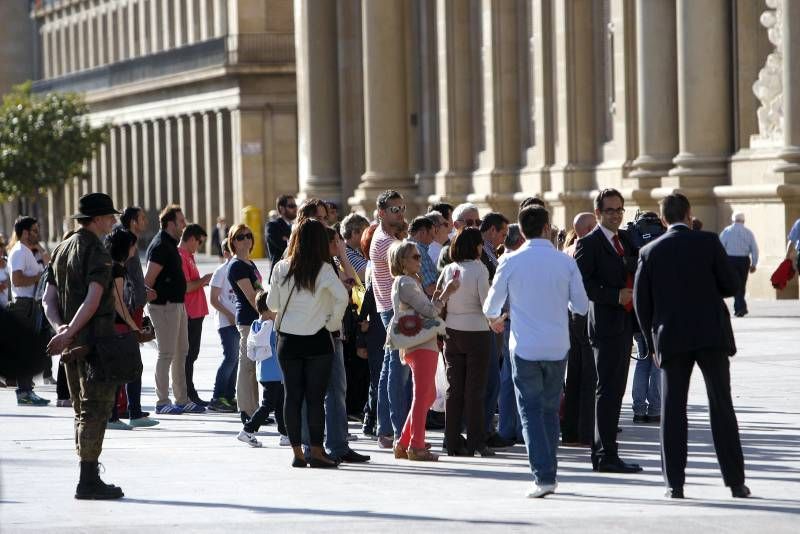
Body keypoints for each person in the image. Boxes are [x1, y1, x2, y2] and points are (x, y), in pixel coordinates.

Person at [633, 193, 749, 499]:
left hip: (671, 337)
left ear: (662, 219)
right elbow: (730, 285)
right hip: (711, 334)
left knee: (673, 410)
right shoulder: (709, 242)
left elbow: (641, 303)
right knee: (721, 406)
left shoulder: (649, 251)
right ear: (688, 214)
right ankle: (736, 481)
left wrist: (650, 341)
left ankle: (675, 484)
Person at [484, 205, 589, 498]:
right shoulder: (565, 262)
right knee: (549, 410)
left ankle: (543, 475)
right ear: (547, 227)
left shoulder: (510, 261)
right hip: (557, 345)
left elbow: (491, 306)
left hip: (525, 345)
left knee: (530, 411)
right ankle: (548, 471)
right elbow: (581, 306)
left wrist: (498, 319)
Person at [42, 192, 125, 500]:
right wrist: (70, 332)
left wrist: (61, 329)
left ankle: (87, 474)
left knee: (80, 409)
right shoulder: (98, 253)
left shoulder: (62, 249)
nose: (113, 221)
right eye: (109, 216)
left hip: (71, 346)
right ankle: (88, 480)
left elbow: (47, 299)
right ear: (96, 220)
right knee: (95, 409)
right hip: (95, 344)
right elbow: (92, 300)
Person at [268, 218, 349, 468]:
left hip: (288, 341)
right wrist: (332, 323)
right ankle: (316, 450)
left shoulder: (282, 268)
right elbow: (343, 297)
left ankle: (297, 452)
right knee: (315, 398)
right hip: (317, 340)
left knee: (292, 397)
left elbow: (272, 304)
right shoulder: (324, 269)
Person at [575, 188, 642, 473]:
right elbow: (582, 285)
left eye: (619, 210)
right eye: (610, 210)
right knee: (607, 390)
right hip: (604, 324)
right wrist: (615, 295)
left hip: (625, 324)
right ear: (599, 213)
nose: (616, 215)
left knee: (616, 391)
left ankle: (609, 452)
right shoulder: (589, 244)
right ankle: (604, 455)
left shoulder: (625, 239)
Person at [388, 240, 459, 461]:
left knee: (426, 394)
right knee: (422, 395)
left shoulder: (408, 281)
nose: (421, 260)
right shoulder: (407, 283)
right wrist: (445, 294)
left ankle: (405, 442)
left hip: (417, 343)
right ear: (402, 261)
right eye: (416, 257)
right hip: (421, 345)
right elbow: (429, 311)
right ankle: (416, 446)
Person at [438, 227, 493, 456]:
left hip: (452, 330)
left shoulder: (450, 268)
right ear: (476, 246)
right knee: (475, 390)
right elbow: (485, 303)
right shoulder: (479, 269)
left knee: (454, 389)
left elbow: (440, 298)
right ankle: (476, 442)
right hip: (477, 332)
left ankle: (451, 441)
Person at [145, 205, 202, 414]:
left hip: (177, 305)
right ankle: (162, 402)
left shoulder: (171, 245)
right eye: (181, 221)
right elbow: (148, 281)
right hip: (164, 307)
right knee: (166, 353)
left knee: (182, 353)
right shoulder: (160, 245)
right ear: (170, 223)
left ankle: (181, 399)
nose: (184, 224)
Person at [104, 228, 159, 430]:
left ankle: (130, 413)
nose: (136, 248)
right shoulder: (116, 269)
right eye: (133, 244)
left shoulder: (117, 267)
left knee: (131, 369)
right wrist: (134, 327)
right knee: (126, 370)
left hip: (119, 326)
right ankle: (115, 416)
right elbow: (118, 303)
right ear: (125, 247)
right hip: (118, 326)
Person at [369, 190, 409, 448]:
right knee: (398, 370)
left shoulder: (386, 236)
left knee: (388, 370)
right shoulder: (387, 242)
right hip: (393, 311)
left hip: (388, 308)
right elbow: (409, 269)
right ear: (382, 213)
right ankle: (397, 430)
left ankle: (384, 428)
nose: (401, 213)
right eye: (395, 209)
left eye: (402, 208)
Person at [561, 212, 598, 447]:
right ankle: (586, 431)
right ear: (587, 228)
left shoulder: (566, 252)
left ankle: (571, 431)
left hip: (570, 315)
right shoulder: (586, 249)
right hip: (584, 314)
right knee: (589, 375)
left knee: (575, 374)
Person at [7, 215, 50, 406]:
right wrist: (38, 278)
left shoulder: (26, 250)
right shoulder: (19, 252)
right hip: (23, 304)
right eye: (34, 230)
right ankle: (23, 392)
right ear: (24, 232)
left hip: (30, 304)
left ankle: (27, 390)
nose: (37, 233)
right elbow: (16, 280)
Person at [119, 207, 156, 417]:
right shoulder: (127, 241)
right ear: (133, 221)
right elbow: (128, 278)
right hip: (129, 309)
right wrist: (142, 296)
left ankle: (128, 407)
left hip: (132, 307)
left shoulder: (128, 239)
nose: (145, 221)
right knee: (131, 361)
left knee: (131, 360)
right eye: (141, 218)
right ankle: (127, 408)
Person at [478, 212, 511, 449]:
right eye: (502, 233)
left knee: (492, 378)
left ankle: (486, 426)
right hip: (488, 323)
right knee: (489, 378)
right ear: (491, 230)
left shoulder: (489, 252)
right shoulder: (482, 253)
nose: (503, 238)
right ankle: (485, 429)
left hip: (494, 321)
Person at [237, 291, 286, 447]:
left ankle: (285, 435)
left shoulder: (255, 325)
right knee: (268, 405)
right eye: (275, 308)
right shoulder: (270, 326)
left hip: (264, 372)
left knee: (279, 404)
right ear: (268, 309)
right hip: (275, 373)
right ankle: (247, 430)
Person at [228, 223, 263, 422]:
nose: (246, 240)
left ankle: (255, 408)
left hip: (256, 319)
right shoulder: (237, 265)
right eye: (240, 237)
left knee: (254, 366)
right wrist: (267, 314)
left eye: (248, 235)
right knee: (247, 365)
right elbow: (251, 296)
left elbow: (259, 289)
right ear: (233, 241)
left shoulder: (249, 263)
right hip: (248, 320)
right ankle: (245, 409)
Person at [495, 224, 525, 445]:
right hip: (513, 322)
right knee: (514, 377)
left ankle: (510, 427)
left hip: (509, 321)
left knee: (509, 375)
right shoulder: (512, 261)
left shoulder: (506, 260)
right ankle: (513, 427)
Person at [178, 224, 212, 406]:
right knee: (188, 355)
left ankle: (190, 390)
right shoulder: (181, 256)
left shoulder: (189, 256)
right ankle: (188, 392)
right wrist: (205, 280)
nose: (199, 246)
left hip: (196, 312)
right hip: (189, 312)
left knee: (192, 354)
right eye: (199, 242)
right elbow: (186, 286)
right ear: (191, 238)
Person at [208, 238, 240, 413]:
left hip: (239, 320)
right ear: (226, 252)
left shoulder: (240, 268)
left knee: (236, 360)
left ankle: (229, 395)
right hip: (226, 322)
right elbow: (213, 299)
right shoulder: (221, 271)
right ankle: (217, 396)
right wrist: (228, 314)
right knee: (230, 357)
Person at [719, 212, 759, 317]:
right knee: (742, 284)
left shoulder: (727, 231)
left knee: (735, 283)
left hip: (730, 260)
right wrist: (754, 263)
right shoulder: (748, 232)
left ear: (733, 220)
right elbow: (754, 249)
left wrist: (721, 262)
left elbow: (720, 247)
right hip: (744, 260)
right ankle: (741, 307)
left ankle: (740, 307)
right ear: (743, 220)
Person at [437, 203, 482, 271]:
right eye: (469, 222)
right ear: (456, 225)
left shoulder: (482, 247)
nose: (475, 226)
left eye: (478, 222)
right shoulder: (448, 251)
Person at [265, 195, 297, 277]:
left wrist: (288, 241)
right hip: (280, 275)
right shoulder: (272, 226)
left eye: (295, 206)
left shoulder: (296, 226)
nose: (295, 209)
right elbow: (284, 247)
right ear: (282, 209)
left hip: (295, 274)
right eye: (291, 206)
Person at [407, 216, 438, 296]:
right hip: (422, 304)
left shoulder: (401, 247)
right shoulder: (418, 250)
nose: (433, 239)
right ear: (422, 232)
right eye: (432, 235)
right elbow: (431, 289)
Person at [342, 213, 370, 281]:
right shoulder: (346, 253)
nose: (367, 236)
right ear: (354, 233)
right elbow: (368, 275)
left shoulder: (354, 249)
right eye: (365, 232)